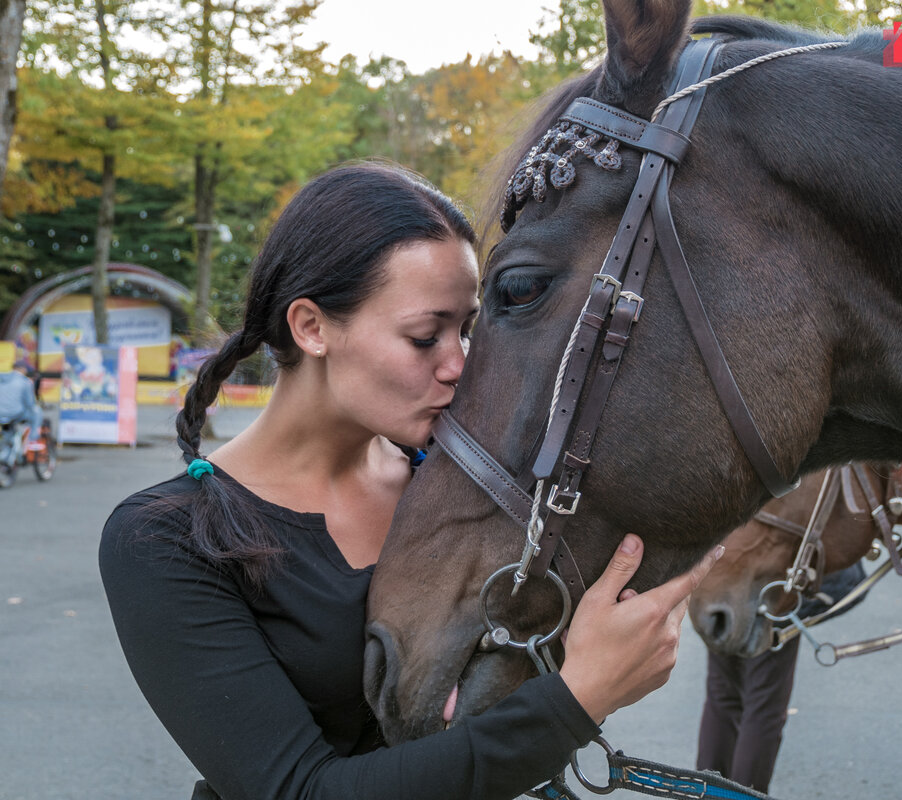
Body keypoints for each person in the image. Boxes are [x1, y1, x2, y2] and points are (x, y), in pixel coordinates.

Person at [98, 162, 723, 800]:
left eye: (467, 329)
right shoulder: (166, 539)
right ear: (311, 328)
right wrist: (578, 700)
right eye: (426, 337)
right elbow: (298, 792)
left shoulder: (456, 486)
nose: (461, 364)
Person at [696, 561, 866, 794]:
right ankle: (743, 796)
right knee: (763, 706)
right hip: (772, 586)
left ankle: (707, 794)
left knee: (722, 696)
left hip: (723, 582)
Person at [0, 360, 42, 449]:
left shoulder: (2, 380)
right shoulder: (25, 382)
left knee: (8, 435)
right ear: (23, 369)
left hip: (0, 414)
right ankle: (33, 440)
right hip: (16, 414)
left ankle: (6, 452)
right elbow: (30, 403)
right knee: (37, 411)